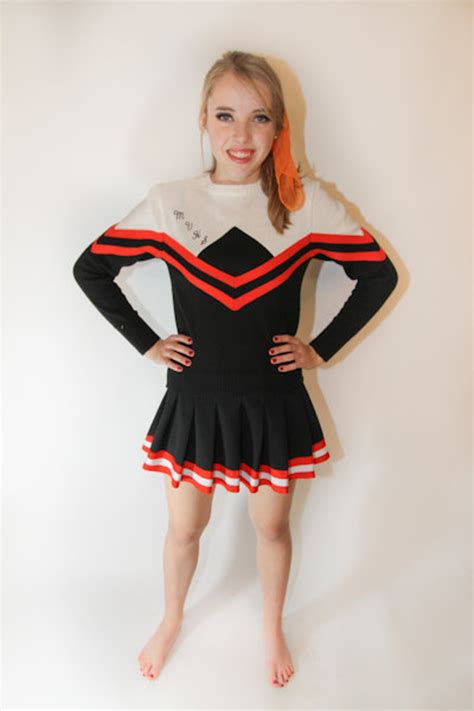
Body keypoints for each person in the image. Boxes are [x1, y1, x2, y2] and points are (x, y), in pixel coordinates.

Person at [72, 50, 398, 687]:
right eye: (225, 115)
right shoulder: (170, 203)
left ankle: (272, 625)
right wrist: (148, 343)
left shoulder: (304, 205)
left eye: (259, 117)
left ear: (279, 127)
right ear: (203, 119)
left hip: (273, 401)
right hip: (194, 399)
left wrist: (319, 349)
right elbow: (91, 269)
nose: (241, 134)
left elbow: (378, 275)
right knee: (184, 528)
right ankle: (171, 618)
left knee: (271, 527)